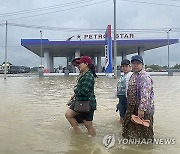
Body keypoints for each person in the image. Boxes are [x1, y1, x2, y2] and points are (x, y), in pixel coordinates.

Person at [122, 55, 155, 141]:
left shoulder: (144, 76)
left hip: (143, 109)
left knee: (145, 132)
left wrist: (142, 109)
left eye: (138, 63)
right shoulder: (133, 75)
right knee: (127, 128)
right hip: (131, 107)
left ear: (142, 65)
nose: (135, 65)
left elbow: (145, 94)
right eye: (133, 63)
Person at [65, 56, 97, 137]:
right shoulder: (84, 75)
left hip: (87, 103)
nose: (79, 65)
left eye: (80, 63)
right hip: (82, 102)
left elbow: (84, 91)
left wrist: (75, 90)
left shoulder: (88, 76)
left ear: (86, 64)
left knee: (88, 124)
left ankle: (91, 139)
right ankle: (78, 133)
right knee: (69, 115)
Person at [116, 59, 132, 123]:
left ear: (130, 67)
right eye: (123, 66)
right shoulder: (122, 76)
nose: (124, 68)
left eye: (126, 66)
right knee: (122, 116)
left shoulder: (131, 75)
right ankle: (122, 130)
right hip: (121, 98)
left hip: (128, 99)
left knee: (127, 117)